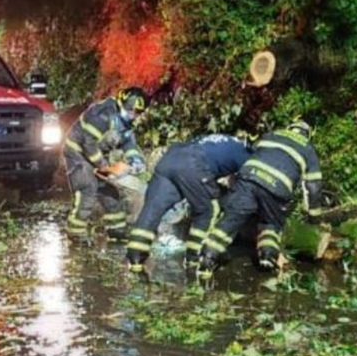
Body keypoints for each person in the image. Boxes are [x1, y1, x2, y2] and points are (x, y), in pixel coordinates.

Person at [196, 120, 322, 280]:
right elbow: (313, 187)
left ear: (290, 128)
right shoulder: (308, 149)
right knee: (271, 223)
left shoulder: (272, 135)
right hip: (277, 188)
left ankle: (206, 259)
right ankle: (267, 257)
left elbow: (250, 154)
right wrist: (314, 218)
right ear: (308, 135)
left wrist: (234, 183)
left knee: (230, 220)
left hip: (249, 178)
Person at [125, 132, 252, 280]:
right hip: (193, 163)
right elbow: (240, 186)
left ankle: (135, 259)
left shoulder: (221, 139)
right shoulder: (245, 155)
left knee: (151, 210)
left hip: (169, 159)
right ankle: (193, 259)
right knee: (207, 211)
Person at [63, 87, 148, 240]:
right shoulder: (101, 114)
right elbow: (88, 143)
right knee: (87, 189)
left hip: (99, 155)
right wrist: (103, 167)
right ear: (122, 104)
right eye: (131, 111)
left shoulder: (125, 122)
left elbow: (128, 143)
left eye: (137, 113)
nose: (133, 116)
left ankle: (117, 230)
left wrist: (136, 160)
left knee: (110, 192)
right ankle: (75, 233)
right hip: (78, 154)